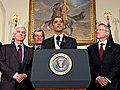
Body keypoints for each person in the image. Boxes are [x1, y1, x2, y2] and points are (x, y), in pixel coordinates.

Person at [0, 25, 35, 90]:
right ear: (14, 34)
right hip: (8, 84)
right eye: (18, 32)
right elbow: (1, 64)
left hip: (25, 85)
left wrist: (25, 75)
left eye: (23, 32)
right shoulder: (4, 48)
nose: (21, 34)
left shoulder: (30, 51)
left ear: (25, 36)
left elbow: (33, 66)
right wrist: (14, 75)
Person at [87, 23, 120, 90]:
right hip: (96, 84)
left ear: (107, 33)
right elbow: (89, 65)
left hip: (112, 84)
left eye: (100, 30)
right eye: (97, 30)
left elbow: (117, 64)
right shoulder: (90, 48)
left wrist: (107, 78)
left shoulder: (116, 47)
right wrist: (98, 77)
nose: (97, 31)